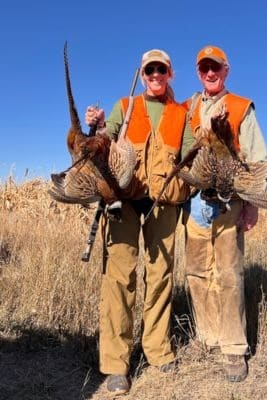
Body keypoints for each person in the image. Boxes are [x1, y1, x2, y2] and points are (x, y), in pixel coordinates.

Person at [85, 49, 192, 395]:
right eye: (150, 70)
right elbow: (105, 139)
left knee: (161, 276)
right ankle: (117, 365)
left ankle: (159, 352)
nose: (156, 75)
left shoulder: (182, 113)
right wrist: (97, 125)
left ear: (170, 73)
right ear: (143, 74)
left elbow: (192, 155)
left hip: (164, 203)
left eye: (161, 69)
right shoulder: (125, 105)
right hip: (125, 202)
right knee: (119, 278)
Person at [182, 45, 267, 382]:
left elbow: (259, 159)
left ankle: (234, 349)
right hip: (196, 205)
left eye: (215, 67)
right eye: (204, 67)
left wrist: (252, 202)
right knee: (198, 274)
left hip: (229, 204)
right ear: (198, 72)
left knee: (230, 277)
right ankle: (207, 337)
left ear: (226, 70)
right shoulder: (191, 106)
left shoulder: (240, 107)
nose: (210, 72)